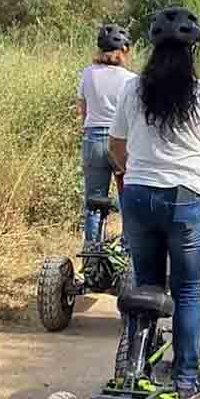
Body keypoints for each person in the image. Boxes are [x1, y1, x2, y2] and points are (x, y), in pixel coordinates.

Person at [109, 7, 200, 399]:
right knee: (187, 292)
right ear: (193, 52)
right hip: (187, 198)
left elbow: (115, 147)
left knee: (146, 285)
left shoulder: (132, 90)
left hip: (138, 196)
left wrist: (131, 171)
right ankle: (186, 380)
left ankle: (137, 372)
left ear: (153, 49)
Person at [76, 24, 134, 243]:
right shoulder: (130, 79)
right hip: (122, 144)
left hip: (93, 140)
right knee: (129, 201)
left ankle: (92, 263)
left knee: (94, 204)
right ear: (123, 50)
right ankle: (128, 257)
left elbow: (82, 109)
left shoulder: (87, 73)